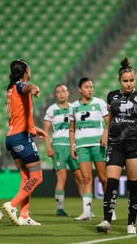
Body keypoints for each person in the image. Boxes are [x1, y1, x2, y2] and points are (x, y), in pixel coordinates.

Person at [96, 58, 137, 235]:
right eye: (125, 81)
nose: (129, 84)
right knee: (111, 183)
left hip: (135, 143)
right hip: (115, 143)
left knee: (133, 185)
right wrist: (104, 133)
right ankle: (106, 221)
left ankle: (131, 223)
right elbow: (109, 118)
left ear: (135, 79)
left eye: (131, 80)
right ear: (120, 81)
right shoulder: (112, 96)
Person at [3, 59, 46, 226]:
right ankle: (12, 204)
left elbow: (19, 115)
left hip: (12, 138)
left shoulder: (11, 89)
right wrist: (33, 88)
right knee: (37, 176)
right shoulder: (21, 86)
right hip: (21, 137)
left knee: (26, 177)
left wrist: (35, 129)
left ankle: (24, 215)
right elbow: (26, 87)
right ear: (26, 71)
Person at [69, 78, 109, 221]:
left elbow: (109, 123)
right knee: (87, 179)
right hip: (81, 146)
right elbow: (72, 128)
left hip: (98, 145)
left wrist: (105, 134)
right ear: (80, 89)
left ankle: (109, 209)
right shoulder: (73, 106)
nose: (90, 89)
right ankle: (86, 212)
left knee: (104, 179)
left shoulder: (99, 103)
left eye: (91, 86)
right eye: (87, 87)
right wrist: (72, 145)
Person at [43, 84, 84, 217]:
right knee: (62, 178)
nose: (61, 93)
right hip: (59, 146)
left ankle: (86, 208)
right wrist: (48, 146)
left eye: (63, 91)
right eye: (58, 92)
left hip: (73, 146)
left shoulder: (74, 108)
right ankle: (60, 208)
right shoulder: (52, 110)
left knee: (81, 178)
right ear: (56, 95)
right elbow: (46, 131)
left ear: (67, 93)